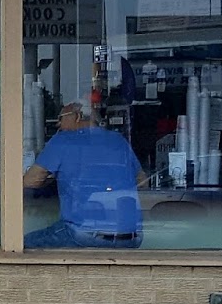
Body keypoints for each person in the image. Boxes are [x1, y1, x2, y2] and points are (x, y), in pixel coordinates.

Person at [23, 102, 145, 249]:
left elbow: (30, 181)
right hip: (132, 238)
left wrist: (52, 181)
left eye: (61, 118)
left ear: (78, 117)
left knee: (21, 244)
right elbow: (143, 181)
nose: (58, 124)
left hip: (84, 235)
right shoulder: (118, 140)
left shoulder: (62, 140)